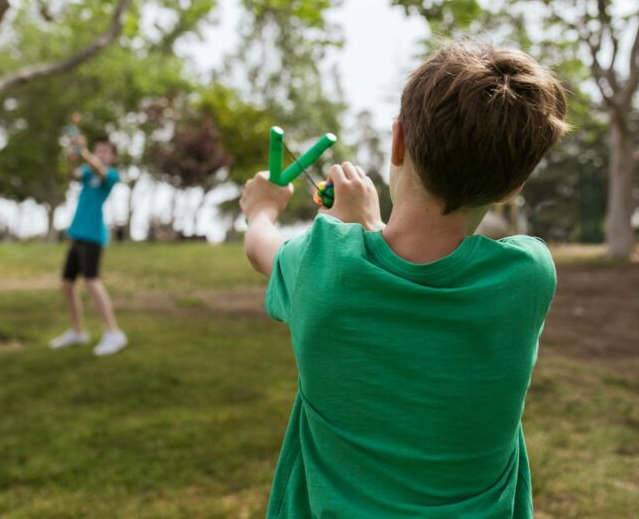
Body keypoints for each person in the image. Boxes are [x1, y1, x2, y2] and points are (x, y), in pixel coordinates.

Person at [240, 41, 569, 517]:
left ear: (398, 142)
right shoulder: (528, 276)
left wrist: (265, 208)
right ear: (516, 183)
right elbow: (414, 277)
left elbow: (260, 247)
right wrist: (360, 230)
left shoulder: (322, 264)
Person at [49, 133, 128, 356]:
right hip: (77, 234)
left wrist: (82, 151)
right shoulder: (86, 172)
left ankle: (114, 333)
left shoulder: (111, 175)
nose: (100, 153)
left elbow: (98, 169)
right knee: (67, 284)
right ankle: (78, 331)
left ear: (112, 156)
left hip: (94, 236)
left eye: (105, 151)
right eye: (98, 149)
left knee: (92, 282)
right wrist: (73, 155)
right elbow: (72, 173)